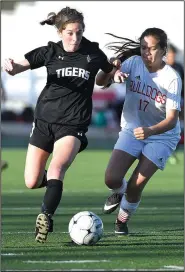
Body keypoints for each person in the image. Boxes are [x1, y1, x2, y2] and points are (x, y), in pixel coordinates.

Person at [3, 7, 119, 243]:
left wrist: (114, 74)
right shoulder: (49, 51)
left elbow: (104, 76)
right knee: (31, 181)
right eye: (69, 33)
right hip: (44, 121)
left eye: (78, 32)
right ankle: (54, 187)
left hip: (73, 124)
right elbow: (19, 67)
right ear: (59, 32)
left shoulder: (93, 52)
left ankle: (45, 217)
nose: (74, 38)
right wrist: (10, 66)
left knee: (56, 168)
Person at [96, 28, 182, 235]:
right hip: (133, 129)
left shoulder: (172, 78)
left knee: (136, 184)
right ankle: (119, 192)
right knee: (111, 179)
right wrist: (111, 69)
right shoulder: (133, 63)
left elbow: (172, 120)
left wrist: (150, 130)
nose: (146, 53)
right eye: (143, 48)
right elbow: (100, 82)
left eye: (152, 49)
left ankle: (121, 221)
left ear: (163, 50)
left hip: (162, 135)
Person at [165, 43, 184, 164]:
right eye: (170, 54)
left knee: (176, 127)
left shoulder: (179, 67)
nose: (172, 56)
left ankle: (173, 151)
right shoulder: (163, 68)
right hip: (165, 102)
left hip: (178, 100)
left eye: (173, 54)